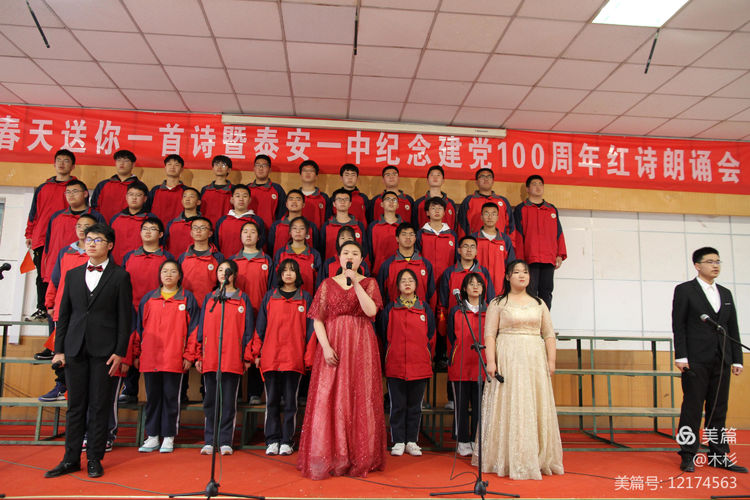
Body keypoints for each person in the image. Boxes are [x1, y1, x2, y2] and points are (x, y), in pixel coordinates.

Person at [45, 223, 132, 479]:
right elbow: (64, 315)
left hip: (105, 351)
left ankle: (94, 457)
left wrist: (120, 351)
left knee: (98, 405)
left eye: (98, 239)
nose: (91, 243)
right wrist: (59, 349)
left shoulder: (120, 276)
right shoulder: (72, 274)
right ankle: (70, 459)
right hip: (74, 348)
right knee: (75, 406)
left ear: (110, 245)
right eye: (89, 239)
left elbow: (125, 317)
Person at [297, 241, 386, 480]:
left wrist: (355, 282)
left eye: (355, 253)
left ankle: (360, 455)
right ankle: (334, 455)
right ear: (338, 257)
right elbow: (317, 319)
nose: (350, 256)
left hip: (361, 345)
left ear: (361, 259)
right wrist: (325, 347)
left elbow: (371, 311)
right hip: (333, 343)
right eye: (346, 253)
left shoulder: (369, 283)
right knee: (331, 396)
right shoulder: (327, 284)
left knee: (360, 396)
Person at [477, 259, 563, 480]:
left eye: (525, 272)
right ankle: (506, 457)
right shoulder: (498, 303)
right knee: (509, 403)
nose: (522, 275)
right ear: (507, 277)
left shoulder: (539, 303)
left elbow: (549, 334)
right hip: (508, 358)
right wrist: (491, 361)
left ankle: (536, 457)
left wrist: (551, 361)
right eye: (516, 272)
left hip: (534, 360)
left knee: (532, 404)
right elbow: (490, 334)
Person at [672, 247, 746, 473]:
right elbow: (679, 325)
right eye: (710, 261)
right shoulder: (685, 290)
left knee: (718, 408)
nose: (715, 265)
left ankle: (718, 455)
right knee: (692, 408)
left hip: (721, 358)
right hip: (695, 359)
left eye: (718, 261)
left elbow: (732, 327)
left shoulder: (725, 293)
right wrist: (681, 355)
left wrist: (737, 359)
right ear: (697, 265)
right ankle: (688, 454)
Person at [134, 260, 200, 454]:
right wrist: (136, 353)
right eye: (165, 271)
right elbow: (138, 329)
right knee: (153, 398)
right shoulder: (149, 299)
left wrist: (189, 355)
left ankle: (169, 435)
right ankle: (152, 435)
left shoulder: (187, 298)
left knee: (171, 398)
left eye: (173, 271)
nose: (168, 275)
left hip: (174, 357)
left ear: (180, 276)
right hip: (150, 357)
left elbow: (194, 330)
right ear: (160, 275)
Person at [191, 260, 255, 456]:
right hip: (211, 357)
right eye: (220, 270)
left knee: (228, 401)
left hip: (233, 358)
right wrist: (198, 354)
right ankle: (210, 440)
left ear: (233, 275)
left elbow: (248, 331)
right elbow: (201, 329)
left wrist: (246, 356)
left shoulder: (243, 299)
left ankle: (226, 440)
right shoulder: (210, 299)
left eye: (227, 271)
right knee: (210, 400)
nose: (222, 273)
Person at [253, 259, 315, 456]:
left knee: (290, 403)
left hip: (294, 358)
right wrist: (257, 352)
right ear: (279, 274)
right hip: (271, 357)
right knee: (271, 402)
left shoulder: (305, 298)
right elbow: (260, 327)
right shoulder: (270, 297)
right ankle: (272, 440)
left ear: (298, 274)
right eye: (285, 270)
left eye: (292, 270)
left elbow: (311, 332)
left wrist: (308, 357)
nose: (288, 273)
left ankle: (287, 440)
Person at [38, 214, 98, 400]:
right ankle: (61, 385)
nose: (82, 229)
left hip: (85, 312)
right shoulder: (65, 251)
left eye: (87, 226)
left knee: (80, 351)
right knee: (61, 350)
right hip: (63, 311)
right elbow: (55, 280)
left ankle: (78, 389)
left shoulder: (97, 254)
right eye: (79, 225)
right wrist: (50, 303)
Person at [380, 269, 435, 457]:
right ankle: (398, 440)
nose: (407, 283)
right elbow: (383, 333)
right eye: (403, 281)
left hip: (419, 364)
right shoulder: (390, 309)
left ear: (416, 285)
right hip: (395, 363)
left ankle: (412, 440)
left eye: (410, 280)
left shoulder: (425, 308)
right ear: (398, 286)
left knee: (415, 406)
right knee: (397, 405)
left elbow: (431, 334)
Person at [120, 217, 175, 403]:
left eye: (152, 229)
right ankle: (129, 390)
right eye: (145, 229)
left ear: (161, 234)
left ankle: (162, 395)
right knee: (129, 346)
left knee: (151, 346)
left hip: (156, 308)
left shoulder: (167, 258)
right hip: (130, 308)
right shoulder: (129, 256)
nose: (148, 232)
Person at [25, 149, 77, 322]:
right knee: (42, 274)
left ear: (73, 166)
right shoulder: (43, 187)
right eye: (59, 160)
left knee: (66, 275)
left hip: (66, 239)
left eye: (66, 160)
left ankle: (63, 307)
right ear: (54, 164)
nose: (62, 163)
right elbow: (33, 213)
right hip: (42, 239)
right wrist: (29, 233)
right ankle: (42, 308)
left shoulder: (75, 188)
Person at [227, 220, 272, 405]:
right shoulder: (233, 261)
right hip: (236, 314)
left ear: (258, 237)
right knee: (236, 350)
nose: (248, 235)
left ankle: (255, 392)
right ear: (240, 236)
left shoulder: (266, 260)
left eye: (252, 232)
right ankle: (236, 393)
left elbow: (271, 289)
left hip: (260, 313)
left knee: (257, 351)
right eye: (245, 231)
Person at [446, 273, 488, 457]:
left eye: (479, 284)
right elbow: (450, 336)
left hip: (481, 365)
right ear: (464, 288)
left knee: (479, 406)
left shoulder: (489, 311)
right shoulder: (456, 311)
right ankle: (462, 441)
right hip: (460, 365)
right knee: (461, 407)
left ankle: (475, 439)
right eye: (471, 284)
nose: (475, 286)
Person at [41, 180, 105, 293]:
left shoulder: (96, 217)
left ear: (85, 194)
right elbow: (48, 246)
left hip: (86, 269)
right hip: (58, 268)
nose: (71, 195)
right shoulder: (56, 216)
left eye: (75, 191)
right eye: (68, 192)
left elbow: (102, 245)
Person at [513, 175, 566, 310]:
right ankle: (530, 320)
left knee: (546, 291)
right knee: (529, 291)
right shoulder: (521, 209)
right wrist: (520, 260)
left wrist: (560, 254)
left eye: (540, 184)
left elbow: (559, 233)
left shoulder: (551, 209)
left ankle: (544, 320)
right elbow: (517, 235)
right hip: (530, 258)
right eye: (534, 184)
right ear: (527, 189)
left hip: (548, 258)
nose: (538, 187)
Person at [376, 223, 435, 307]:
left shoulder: (426, 264)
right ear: (397, 238)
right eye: (404, 234)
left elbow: (432, 294)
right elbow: (380, 295)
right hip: (395, 312)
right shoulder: (387, 266)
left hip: (420, 312)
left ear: (415, 238)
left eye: (411, 234)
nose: (408, 237)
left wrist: (428, 312)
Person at [178, 217, 224, 309]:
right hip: (185, 305)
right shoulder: (183, 257)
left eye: (203, 228)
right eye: (195, 228)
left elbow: (222, 284)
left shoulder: (218, 257)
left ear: (210, 233)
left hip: (210, 305)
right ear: (191, 233)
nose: (198, 230)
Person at [109, 181, 158, 265]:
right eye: (131, 194)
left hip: (140, 263)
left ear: (145, 198)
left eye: (138, 195)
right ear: (126, 197)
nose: (134, 198)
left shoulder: (151, 219)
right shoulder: (115, 218)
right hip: (115, 263)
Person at [272, 217, 322, 297]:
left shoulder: (315, 255)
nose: (298, 231)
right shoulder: (281, 253)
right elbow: (275, 278)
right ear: (290, 232)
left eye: (302, 228)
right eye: (294, 228)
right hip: (283, 298)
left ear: (307, 233)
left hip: (307, 298)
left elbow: (319, 281)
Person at [473, 202, 515, 295]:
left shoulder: (505, 239)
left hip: (500, 287)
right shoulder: (473, 238)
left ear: (498, 217)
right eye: (486, 213)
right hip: (477, 286)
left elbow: (511, 265)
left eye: (493, 214)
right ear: (481, 217)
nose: (490, 217)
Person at [458, 168, 513, 238]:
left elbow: (511, 227)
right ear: (476, 182)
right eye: (482, 176)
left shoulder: (503, 201)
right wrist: (463, 242)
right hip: (475, 242)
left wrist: (509, 243)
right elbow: (461, 226)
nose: (486, 179)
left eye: (489, 176)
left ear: (493, 181)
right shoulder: (468, 200)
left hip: (499, 242)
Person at [214, 184, 266, 258]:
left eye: (245, 196)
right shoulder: (222, 221)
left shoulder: (257, 221)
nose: (241, 199)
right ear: (232, 199)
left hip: (250, 261)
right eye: (238, 196)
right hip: (225, 262)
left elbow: (261, 244)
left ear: (249, 200)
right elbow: (216, 244)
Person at [416, 196, 457, 287]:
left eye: (440, 208)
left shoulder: (452, 235)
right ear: (427, 212)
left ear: (444, 212)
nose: (437, 211)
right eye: (433, 208)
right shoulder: (420, 234)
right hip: (425, 278)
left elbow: (456, 259)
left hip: (447, 279)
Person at [90, 150, 140, 223]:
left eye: (126, 160)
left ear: (133, 164)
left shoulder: (139, 186)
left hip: (128, 226)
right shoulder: (103, 184)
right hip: (103, 226)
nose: (121, 163)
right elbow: (94, 207)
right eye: (119, 160)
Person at [267, 189, 319, 256]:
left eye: (298, 199)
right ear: (286, 204)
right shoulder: (276, 225)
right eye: (291, 199)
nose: (294, 202)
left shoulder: (311, 226)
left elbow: (315, 248)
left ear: (303, 204)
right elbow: (270, 249)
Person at [320, 188, 367, 261]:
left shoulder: (359, 225)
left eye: (346, 199)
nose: (342, 202)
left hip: (354, 266)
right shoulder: (327, 225)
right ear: (334, 204)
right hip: (331, 265)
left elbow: (364, 249)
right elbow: (322, 250)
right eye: (339, 199)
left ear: (350, 204)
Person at [366, 190, 402, 276]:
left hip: (400, 272)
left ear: (398, 205)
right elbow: (368, 252)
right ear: (382, 204)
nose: (391, 202)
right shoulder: (373, 226)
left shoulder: (403, 226)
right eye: (388, 199)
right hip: (377, 272)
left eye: (394, 200)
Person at [413, 165, 457, 230]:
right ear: (427, 180)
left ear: (443, 181)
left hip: (447, 236)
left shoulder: (451, 203)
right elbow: (414, 226)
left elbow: (454, 227)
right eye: (432, 175)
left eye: (438, 175)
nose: (435, 177)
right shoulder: (419, 203)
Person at [249, 154, 286, 230]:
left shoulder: (277, 189)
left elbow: (283, 213)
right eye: (258, 165)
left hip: (270, 231)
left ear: (270, 170)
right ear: (254, 169)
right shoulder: (246, 189)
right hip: (249, 232)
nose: (260, 168)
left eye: (264, 165)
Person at [148, 154, 187, 225]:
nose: (172, 167)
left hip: (178, 228)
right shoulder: (155, 190)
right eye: (169, 164)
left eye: (176, 165)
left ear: (182, 169)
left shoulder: (186, 191)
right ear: (165, 167)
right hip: (156, 229)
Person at [165, 187, 201, 258]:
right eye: (184, 196)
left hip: (193, 261)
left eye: (191, 196)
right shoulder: (172, 223)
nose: (187, 199)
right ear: (181, 201)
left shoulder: (203, 224)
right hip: (172, 261)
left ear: (198, 202)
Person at [200, 155, 233, 228]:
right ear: (213, 168)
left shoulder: (234, 189)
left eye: (223, 165)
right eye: (217, 164)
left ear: (229, 170)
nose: (219, 167)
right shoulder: (205, 189)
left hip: (225, 227)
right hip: (205, 228)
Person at [298, 159, 329, 230]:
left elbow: (327, 221)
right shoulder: (294, 196)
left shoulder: (324, 197)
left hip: (317, 234)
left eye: (311, 171)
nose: (308, 173)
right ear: (300, 175)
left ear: (316, 176)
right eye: (305, 170)